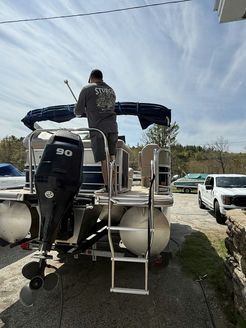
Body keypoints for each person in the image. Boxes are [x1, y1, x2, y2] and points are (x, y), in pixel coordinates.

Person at [75, 69, 118, 193]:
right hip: (113, 128)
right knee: (112, 158)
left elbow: (77, 111)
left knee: (104, 160)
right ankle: (113, 187)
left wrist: (85, 110)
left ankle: (107, 188)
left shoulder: (87, 88)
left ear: (91, 77)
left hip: (99, 129)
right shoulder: (111, 90)